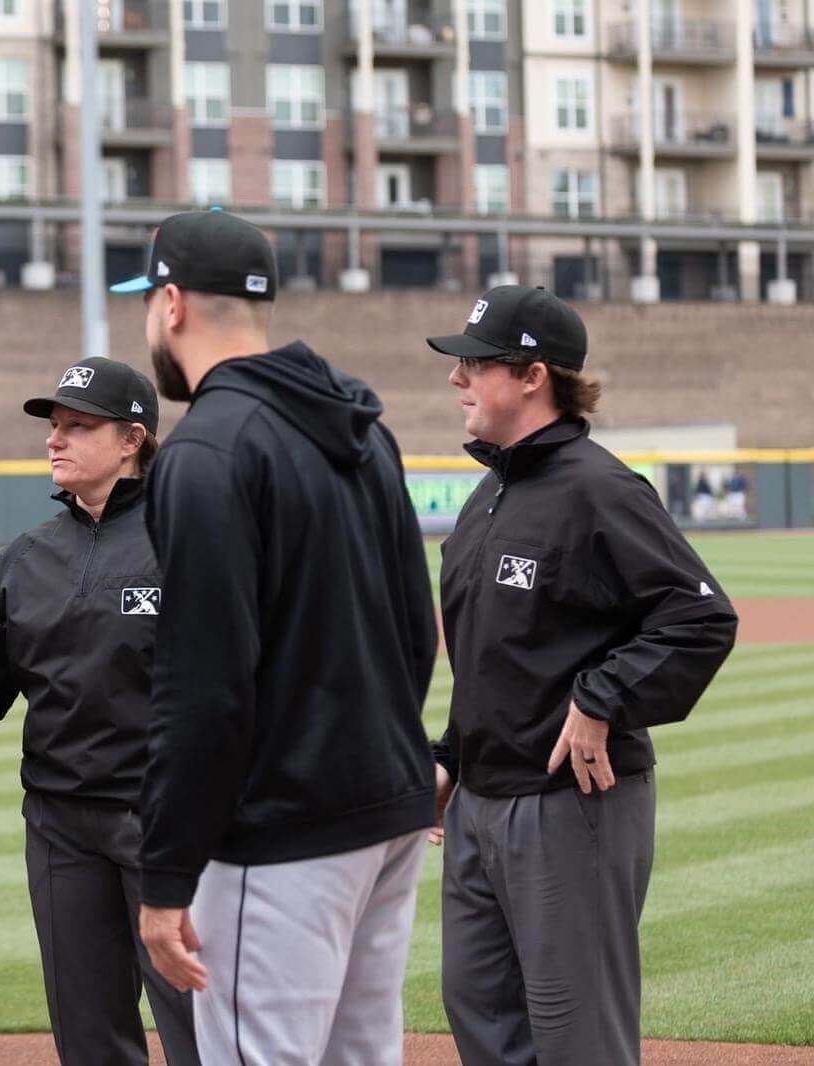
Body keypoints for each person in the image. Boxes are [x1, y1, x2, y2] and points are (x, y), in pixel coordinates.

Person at [113, 209, 438, 1065]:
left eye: (148, 300)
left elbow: (203, 688)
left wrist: (167, 875)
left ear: (172, 303)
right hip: (385, 812)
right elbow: (416, 632)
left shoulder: (209, 449)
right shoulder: (363, 429)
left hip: (284, 829)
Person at [426, 284, 739, 1066]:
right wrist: (450, 757)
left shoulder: (600, 489)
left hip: (570, 804)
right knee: (479, 1019)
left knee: (577, 1041)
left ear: (532, 375)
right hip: (481, 803)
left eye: (475, 364)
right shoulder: (490, 493)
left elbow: (700, 618)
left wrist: (603, 696)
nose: (457, 380)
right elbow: (498, 657)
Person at [0, 357, 200, 1066]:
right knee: (88, 1033)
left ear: (132, 440)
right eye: (53, 427)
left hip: (162, 817)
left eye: (77, 426)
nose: (55, 440)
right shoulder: (27, 558)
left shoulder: (188, 542)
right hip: (60, 823)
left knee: (199, 1023)